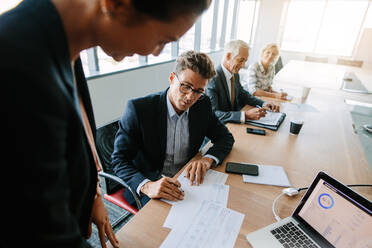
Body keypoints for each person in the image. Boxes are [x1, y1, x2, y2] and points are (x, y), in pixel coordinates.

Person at [2, 0, 211, 247]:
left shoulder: (65, 46)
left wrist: (91, 193)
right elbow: (37, 230)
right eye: (162, 40)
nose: (153, 53)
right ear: (118, 4)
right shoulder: (15, 60)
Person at [112, 51, 234, 207]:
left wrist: (207, 160)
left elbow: (225, 138)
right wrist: (147, 186)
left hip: (186, 180)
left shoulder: (202, 105)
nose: (190, 97)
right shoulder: (139, 109)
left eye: (198, 91)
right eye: (185, 86)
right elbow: (119, 160)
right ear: (171, 79)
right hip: (150, 182)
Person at [206, 40, 280, 124]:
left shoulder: (234, 73)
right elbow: (214, 113)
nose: (243, 65)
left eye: (245, 61)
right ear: (228, 56)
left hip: (234, 123)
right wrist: (245, 115)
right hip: (220, 128)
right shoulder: (213, 79)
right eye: (241, 60)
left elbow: (242, 93)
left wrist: (263, 103)